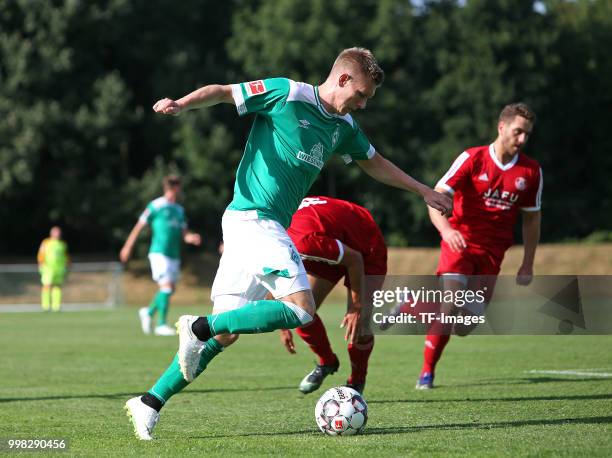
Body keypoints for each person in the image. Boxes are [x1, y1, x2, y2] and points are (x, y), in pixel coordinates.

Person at [125, 47, 452, 440]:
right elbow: (225, 91)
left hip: (259, 228)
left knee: (225, 334)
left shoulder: (342, 125)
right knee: (300, 310)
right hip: (253, 220)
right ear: (343, 79)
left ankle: (149, 402)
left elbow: (374, 161)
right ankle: (196, 326)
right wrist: (181, 104)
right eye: (361, 95)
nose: (363, 104)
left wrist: (421, 190)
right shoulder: (287, 93)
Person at [415, 103, 543, 389]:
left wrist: (528, 263)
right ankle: (426, 373)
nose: (522, 139)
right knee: (449, 305)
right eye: (517, 131)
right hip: (459, 244)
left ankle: (415, 304)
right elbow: (436, 197)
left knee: (464, 327)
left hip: (492, 255)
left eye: (527, 135)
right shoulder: (472, 158)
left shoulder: (531, 172)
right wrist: (447, 230)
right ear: (501, 127)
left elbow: (532, 221)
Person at [279, 196, 387, 395]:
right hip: (329, 237)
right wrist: (283, 323)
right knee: (300, 312)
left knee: (360, 325)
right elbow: (271, 277)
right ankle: (327, 362)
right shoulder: (273, 234)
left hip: (364, 242)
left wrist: (356, 307)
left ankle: (356, 381)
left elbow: (354, 260)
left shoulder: (300, 242)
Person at [120, 175, 202, 336]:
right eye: (173, 187)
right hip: (159, 252)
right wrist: (127, 246)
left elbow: (184, 233)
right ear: (169, 188)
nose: (176, 190)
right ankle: (161, 324)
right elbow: (139, 226)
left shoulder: (179, 210)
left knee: (170, 289)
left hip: (174, 254)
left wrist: (190, 238)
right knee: (166, 287)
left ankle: (148, 312)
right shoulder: (156, 205)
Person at [37, 226, 70, 312]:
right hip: (48, 268)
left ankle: (56, 306)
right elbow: (41, 254)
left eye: (59, 232)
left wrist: (67, 264)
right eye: (56, 232)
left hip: (59, 269)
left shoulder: (62, 244)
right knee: (47, 285)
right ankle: (45, 306)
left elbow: (66, 256)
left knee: (57, 286)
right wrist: (41, 263)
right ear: (51, 233)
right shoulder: (46, 242)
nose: (58, 234)